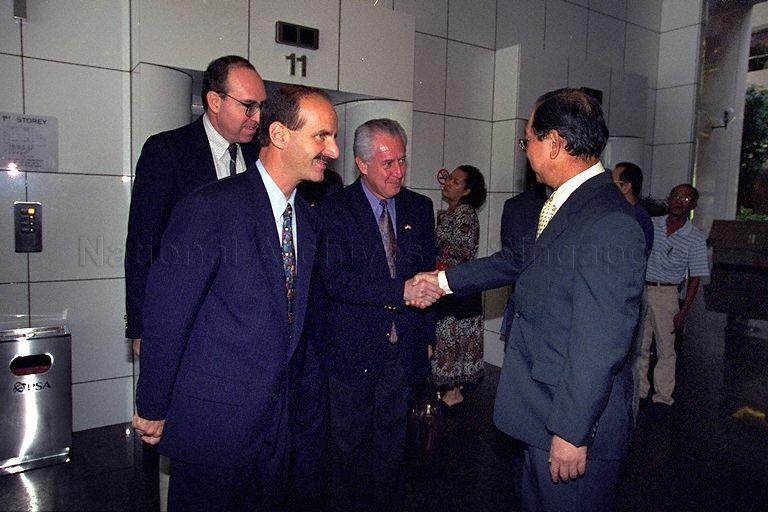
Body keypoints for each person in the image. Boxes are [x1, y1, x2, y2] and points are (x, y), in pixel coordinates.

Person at [418, 88, 646, 511]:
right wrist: (441, 280)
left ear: (555, 142)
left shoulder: (609, 221)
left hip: (571, 430)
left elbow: (602, 342)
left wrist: (573, 432)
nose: (526, 150)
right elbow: (517, 259)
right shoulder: (571, 204)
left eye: (528, 140)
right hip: (541, 413)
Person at [132, 85, 339, 511]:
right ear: (280, 135)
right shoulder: (210, 207)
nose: (332, 150)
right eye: (322, 136)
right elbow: (169, 314)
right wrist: (152, 405)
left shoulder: (306, 218)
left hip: (278, 425)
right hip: (215, 424)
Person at [316, 118, 442, 511]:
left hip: (402, 350)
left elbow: (427, 278)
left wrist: (427, 339)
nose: (399, 171)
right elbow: (335, 280)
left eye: (402, 160)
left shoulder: (419, 208)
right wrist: (398, 290)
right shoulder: (332, 209)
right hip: (351, 350)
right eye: (388, 163)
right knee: (348, 447)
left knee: (393, 444)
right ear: (362, 164)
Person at [125, 55, 265, 356]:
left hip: (245, 323)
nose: (257, 117)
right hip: (186, 319)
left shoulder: (260, 156)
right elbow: (142, 241)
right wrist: (140, 326)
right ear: (215, 101)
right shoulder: (167, 151)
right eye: (248, 106)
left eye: (260, 107)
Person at [638, 184, 709, 419]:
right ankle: (639, 390)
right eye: (676, 196)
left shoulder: (695, 237)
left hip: (667, 294)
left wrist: (683, 311)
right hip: (642, 289)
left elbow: (695, 278)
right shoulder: (652, 223)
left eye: (686, 198)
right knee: (640, 345)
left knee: (666, 350)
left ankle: (663, 396)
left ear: (693, 205)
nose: (680, 201)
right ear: (669, 199)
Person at [432, 165, 487, 407]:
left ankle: (454, 393)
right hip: (449, 286)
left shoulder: (464, 214)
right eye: (449, 179)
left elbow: (461, 254)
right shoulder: (452, 212)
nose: (448, 183)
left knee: (453, 339)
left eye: (456, 181)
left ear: (466, 191)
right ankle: (453, 390)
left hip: (456, 289)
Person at [611, 161, 654, 255]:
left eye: (612, 183)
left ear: (626, 187)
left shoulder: (638, 218)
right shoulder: (618, 212)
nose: (608, 188)